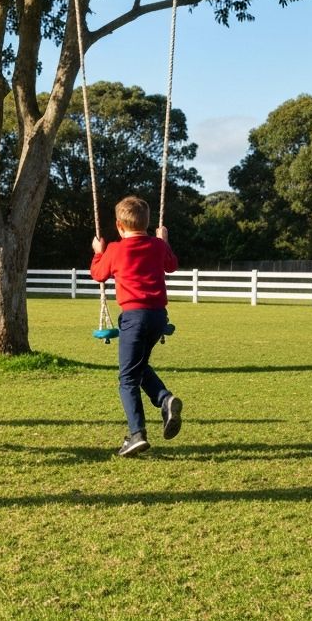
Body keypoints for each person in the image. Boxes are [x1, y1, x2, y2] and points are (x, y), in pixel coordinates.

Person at [90, 195, 183, 457]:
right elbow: (172, 266)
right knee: (138, 366)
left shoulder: (116, 250)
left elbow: (98, 274)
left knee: (127, 377)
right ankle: (164, 399)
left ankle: (136, 434)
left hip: (134, 317)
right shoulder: (156, 245)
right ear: (147, 222)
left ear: (119, 226)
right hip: (158, 318)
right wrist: (164, 241)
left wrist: (98, 253)